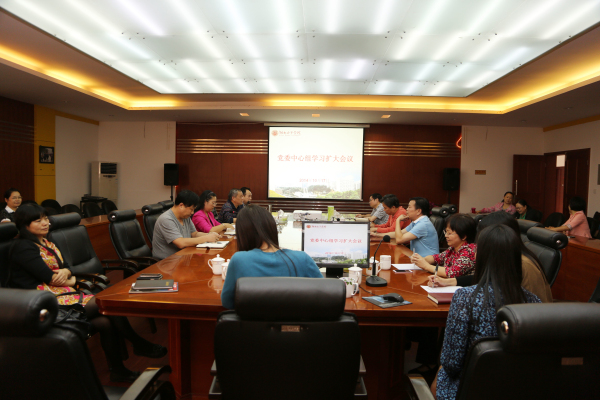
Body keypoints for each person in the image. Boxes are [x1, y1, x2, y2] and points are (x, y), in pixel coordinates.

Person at [9, 204, 166, 383]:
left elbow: (66, 268)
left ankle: (118, 370)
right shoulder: (23, 247)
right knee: (105, 303)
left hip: (63, 293)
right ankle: (137, 343)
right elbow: (50, 278)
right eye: (38, 221)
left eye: (45, 218)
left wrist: (66, 273)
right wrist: (72, 279)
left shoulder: (47, 242)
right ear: (25, 225)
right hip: (44, 302)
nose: (45, 223)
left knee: (105, 322)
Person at [434, 224, 541, 399]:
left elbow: (451, 364)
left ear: (481, 256)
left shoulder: (465, 298)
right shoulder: (534, 301)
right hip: (516, 390)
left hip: (468, 390)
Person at [429, 211, 553, 303]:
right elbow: (488, 279)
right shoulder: (506, 257)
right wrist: (449, 282)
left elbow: (529, 309)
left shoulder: (522, 264)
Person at [221, 205, 323, 309]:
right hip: (295, 319)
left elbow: (227, 302)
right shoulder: (302, 259)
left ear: (243, 234)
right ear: (272, 228)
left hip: (253, 320)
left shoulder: (239, 260)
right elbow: (325, 296)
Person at [152, 190, 220, 259]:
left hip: (184, 256)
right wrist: (206, 238)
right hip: (168, 261)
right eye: (191, 209)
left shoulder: (185, 216)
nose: (192, 213)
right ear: (181, 205)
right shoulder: (166, 219)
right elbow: (180, 243)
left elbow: (194, 234)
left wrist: (210, 235)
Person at [411, 214, 476, 278]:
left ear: (463, 236)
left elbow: (451, 272)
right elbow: (437, 258)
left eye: (449, 233)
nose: (446, 236)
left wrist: (426, 266)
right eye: (446, 232)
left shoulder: (469, 251)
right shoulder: (453, 248)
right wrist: (421, 260)